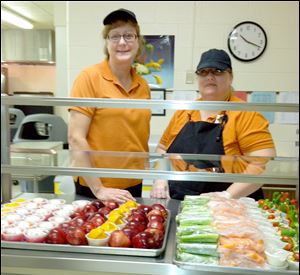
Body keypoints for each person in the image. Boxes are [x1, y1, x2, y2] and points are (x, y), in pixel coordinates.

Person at [151, 48, 276, 201]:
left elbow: (262, 163)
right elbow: (162, 149)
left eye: (217, 71)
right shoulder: (185, 112)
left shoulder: (246, 114)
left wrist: (226, 196)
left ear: (230, 76)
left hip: (232, 203)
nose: (209, 76)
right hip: (183, 198)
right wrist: (160, 179)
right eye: (203, 72)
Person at [68, 9, 151, 203]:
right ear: (107, 43)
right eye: (115, 36)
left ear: (138, 42)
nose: (122, 42)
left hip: (132, 184)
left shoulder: (143, 85)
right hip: (96, 186)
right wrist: (99, 189)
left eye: (129, 35)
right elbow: (75, 137)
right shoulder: (89, 77)